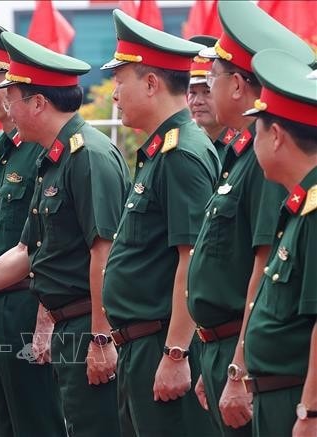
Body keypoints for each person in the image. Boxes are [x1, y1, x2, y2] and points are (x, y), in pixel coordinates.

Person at [0, 30, 131, 437]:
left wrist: (101, 338)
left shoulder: (87, 155)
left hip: (79, 326)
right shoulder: (53, 157)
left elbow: (103, 251)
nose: (5, 103)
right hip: (56, 322)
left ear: (37, 102)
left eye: (11, 94)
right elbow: (26, 248)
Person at [187, 3, 316, 436]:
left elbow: (260, 269)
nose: (204, 88)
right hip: (237, 359)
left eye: (214, 78)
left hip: (273, 380)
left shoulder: (288, 187)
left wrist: (238, 367)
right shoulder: (238, 156)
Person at [99, 9, 220, 437]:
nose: (114, 96)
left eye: (119, 83)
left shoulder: (181, 154)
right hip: (141, 345)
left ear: (151, 83)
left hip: (161, 345)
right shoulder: (159, 151)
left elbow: (192, 260)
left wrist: (175, 353)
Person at [0, 19, 67, 437]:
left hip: (32, 308)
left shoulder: (43, 152)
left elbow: (51, 246)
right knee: (7, 426)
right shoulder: (4, 151)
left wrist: (44, 324)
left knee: (40, 423)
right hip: (1, 310)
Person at [241, 49, 317, 437]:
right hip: (277, 395)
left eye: (256, 131)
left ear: (275, 136)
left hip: (296, 401)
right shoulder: (299, 204)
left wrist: (310, 413)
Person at [187, 35, 232, 164]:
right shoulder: (191, 146)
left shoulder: (238, 144)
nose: (197, 101)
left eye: (207, 92)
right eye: (192, 92)